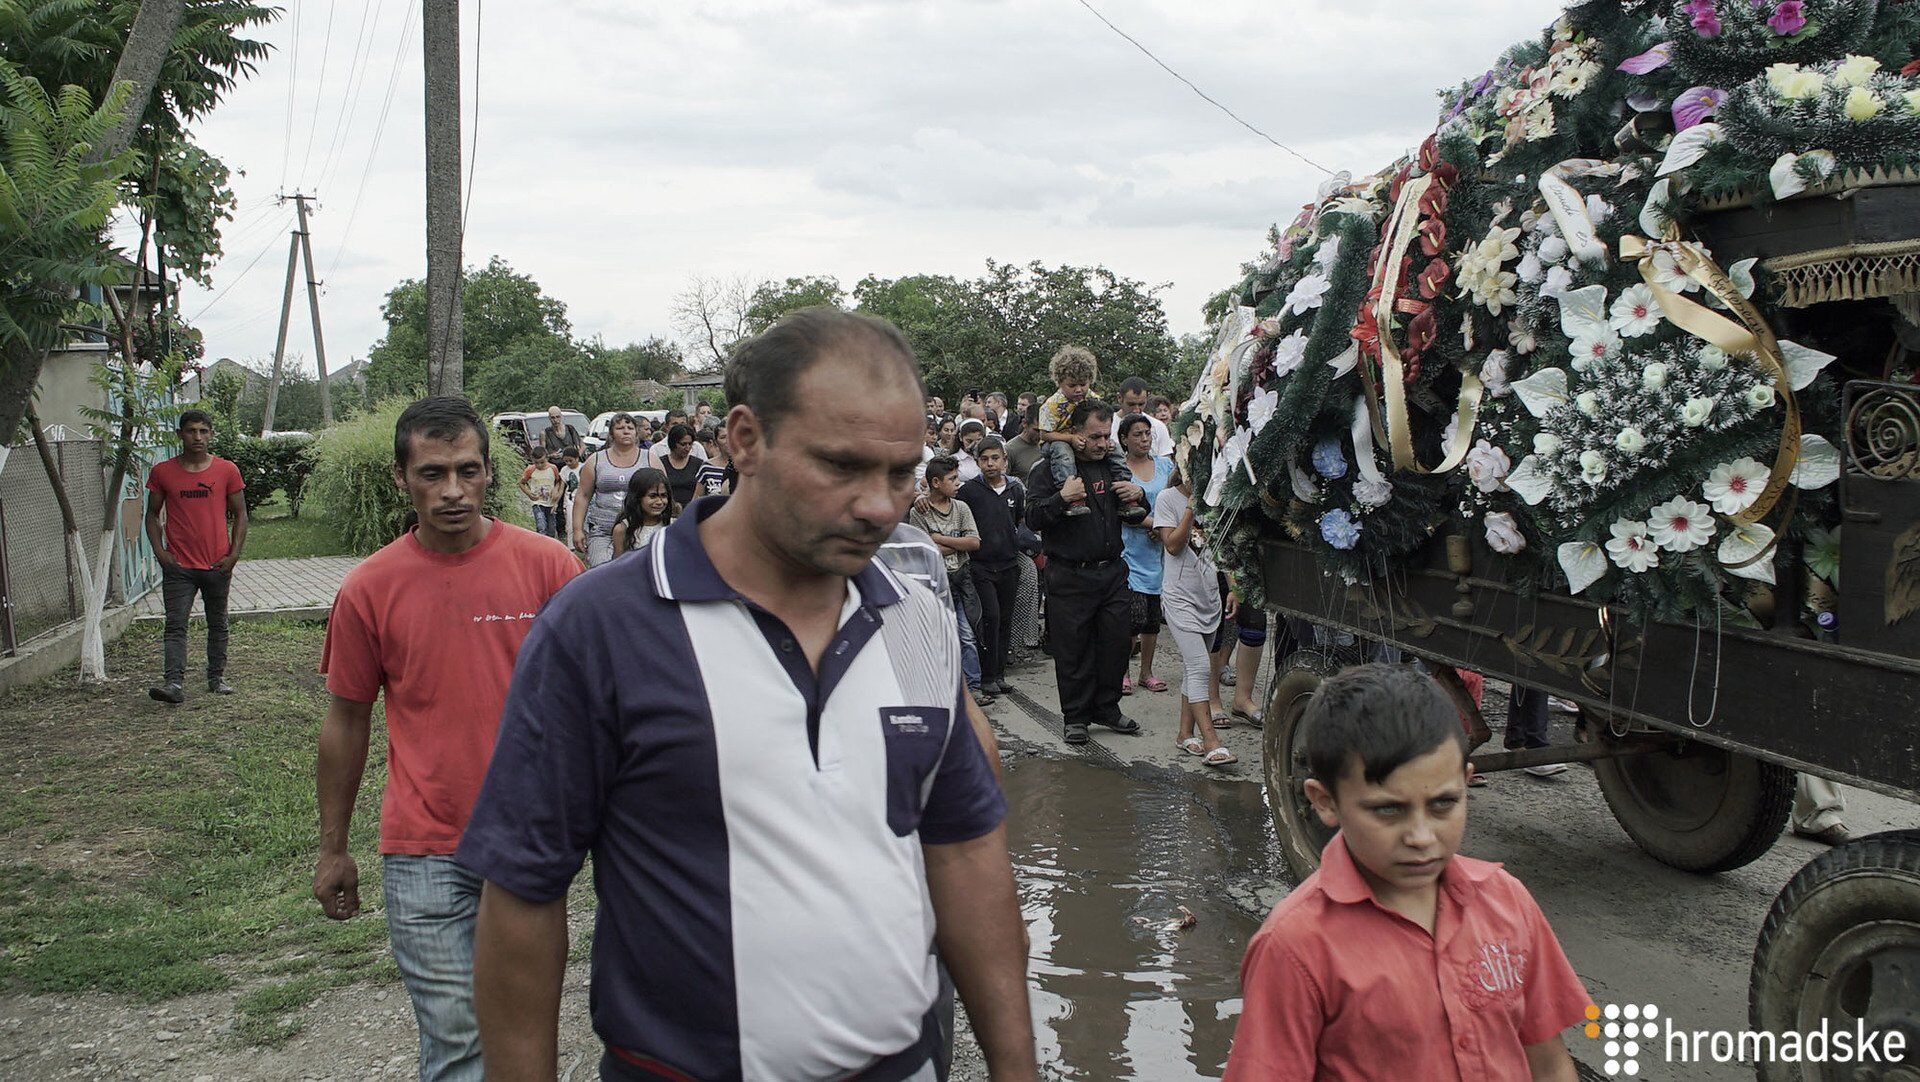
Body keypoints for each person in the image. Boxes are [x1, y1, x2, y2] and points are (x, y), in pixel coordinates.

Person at [457, 308, 1035, 1081]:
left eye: (900, 472)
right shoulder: (604, 628)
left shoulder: (917, 617)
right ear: (745, 439)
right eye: (841, 465)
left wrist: (1016, 1068)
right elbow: (524, 895)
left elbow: (964, 854)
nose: (880, 505)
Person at [312, 396, 580, 1082]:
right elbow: (346, 719)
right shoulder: (370, 588)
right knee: (458, 1046)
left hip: (525, 845)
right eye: (433, 473)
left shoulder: (549, 569)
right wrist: (333, 849)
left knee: (523, 1046)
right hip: (424, 851)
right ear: (402, 478)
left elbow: (595, 707)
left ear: (492, 473)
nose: (453, 490)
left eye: (467, 470)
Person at [1223, 663, 1587, 1081]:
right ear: (1324, 801)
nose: (1421, 837)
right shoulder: (1295, 948)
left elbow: (1550, 1062)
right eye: (1388, 809)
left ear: (1466, 782)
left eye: (1443, 804)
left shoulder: (1507, 901)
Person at [1026, 398, 1146, 744]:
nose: (1102, 444)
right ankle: (1076, 717)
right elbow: (1033, 517)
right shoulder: (1048, 468)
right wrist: (1062, 498)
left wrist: (1139, 494)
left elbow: (1137, 511)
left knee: (1115, 646)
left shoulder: (1112, 464)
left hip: (1112, 573)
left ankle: (1107, 708)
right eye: (1094, 436)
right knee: (1073, 650)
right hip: (1069, 575)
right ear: (1075, 433)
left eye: (1106, 436)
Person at [144, 409, 248, 704]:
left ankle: (217, 677)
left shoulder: (227, 470)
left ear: (211, 434)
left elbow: (241, 514)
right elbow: (151, 515)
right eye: (191, 431)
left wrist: (233, 556)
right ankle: (173, 684)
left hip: (217, 564)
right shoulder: (163, 472)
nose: (197, 437)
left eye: (203, 431)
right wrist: (161, 552)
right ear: (180, 434)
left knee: (218, 623)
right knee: (175, 624)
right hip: (179, 566)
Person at [1154, 473, 1235, 767]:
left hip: (1209, 596)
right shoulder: (1167, 498)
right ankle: (1212, 740)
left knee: (1194, 668)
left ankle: (1184, 733)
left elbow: (1222, 546)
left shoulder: (1216, 497)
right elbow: (1172, 545)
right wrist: (1191, 506)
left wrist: (1233, 586)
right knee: (1201, 665)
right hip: (1179, 596)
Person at [913, 455, 992, 707]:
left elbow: (974, 542)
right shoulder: (919, 511)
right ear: (935, 482)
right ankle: (941, 688)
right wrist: (953, 544)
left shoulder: (961, 508)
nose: (958, 483)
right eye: (952, 479)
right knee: (937, 636)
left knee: (967, 634)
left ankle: (974, 686)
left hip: (961, 579)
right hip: (935, 582)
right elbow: (926, 550)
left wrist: (940, 538)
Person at [1036, 346, 1145, 522]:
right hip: (1057, 441)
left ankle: (1125, 488)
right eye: (1072, 385)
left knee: (1115, 448)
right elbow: (1045, 435)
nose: (1079, 390)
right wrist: (1071, 438)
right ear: (1059, 382)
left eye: (1083, 384)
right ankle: (1072, 493)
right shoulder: (1051, 405)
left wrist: (1103, 440)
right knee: (1063, 452)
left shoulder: (1092, 398)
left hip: (1080, 440)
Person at [958, 437, 1024, 697]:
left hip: (1009, 563)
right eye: (984, 459)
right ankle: (985, 676)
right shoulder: (969, 492)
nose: (990, 464)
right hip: (981, 566)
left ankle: (999, 674)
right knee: (990, 618)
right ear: (977, 462)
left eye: (995, 458)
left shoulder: (1015, 490)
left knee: (1005, 618)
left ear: (1005, 461)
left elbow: (1018, 520)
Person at [1117, 414, 1174, 696]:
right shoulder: (1121, 470)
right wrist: (1157, 524)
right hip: (1130, 550)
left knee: (1152, 617)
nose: (1144, 439)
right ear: (1124, 439)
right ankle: (1122, 672)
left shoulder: (1165, 466)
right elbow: (1124, 511)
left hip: (1159, 552)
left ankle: (1147, 672)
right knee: (1133, 615)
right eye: (1137, 434)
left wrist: (1165, 528)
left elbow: (1177, 497)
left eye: (1147, 434)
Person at [572, 413, 646, 568]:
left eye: (630, 428)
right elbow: (583, 496)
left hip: (639, 529)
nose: (626, 431)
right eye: (620, 428)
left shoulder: (650, 459)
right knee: (601, 573)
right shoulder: (596, 459)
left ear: (636, 432)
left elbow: (664, 495)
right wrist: (577, 529)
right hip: (602, 531)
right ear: (611, 433)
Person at [611, 467, 673, 557]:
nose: (659, 502)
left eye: (663, 496)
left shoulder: (672, 525)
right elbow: (617, 566)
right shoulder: (622, 529)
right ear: (637, 498)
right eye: (653, 496)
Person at [1109, 377, 1175, 458]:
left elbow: (1166, 463)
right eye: (1131, 404)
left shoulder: (1159, 427)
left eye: (1141, 404)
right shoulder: (1107, 425)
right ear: (1119, 398)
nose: (1136, 410)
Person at [653, 423, 702, 511]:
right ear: (673, 443)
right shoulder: (660, 463)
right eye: (683, 444)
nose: (687, 448)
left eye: (690, 444)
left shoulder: (698, 464)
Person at [517, 447, 561, 539]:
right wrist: (529, 494)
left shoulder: (553, 468)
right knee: (541, 526)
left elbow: (558, 482)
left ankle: (550, 547)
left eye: (542, 462)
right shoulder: (530, 469)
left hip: (550, 503)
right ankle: (541, 546)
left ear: (547, 459)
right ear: (532, 460)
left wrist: (555, 490)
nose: (539, 465)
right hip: (537, 503)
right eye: (536, 462)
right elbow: (521, 483)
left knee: (551, 528)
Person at [1003, 402, 1047, 483]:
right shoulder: (1010, 449)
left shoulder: (1049, 445)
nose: (1041, 435)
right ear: (1025, 423)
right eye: (1036, 430)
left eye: (1045, 430)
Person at [693, 424, 734, 499]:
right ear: (716, 442)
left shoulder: (745, 466)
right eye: (723, 437)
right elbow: (697, 499)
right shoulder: (707, 467)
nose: (728, 441)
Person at [555, 448, 582, 542]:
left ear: (577, 458)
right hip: (569, 500)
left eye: (571, 460)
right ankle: (571, 546)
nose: (568, 463)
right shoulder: (564, 470)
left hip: (582, 499)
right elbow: (561, 488)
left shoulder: (584, 468)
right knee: (570, 523)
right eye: (566, 461)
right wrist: (556, 503)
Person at [954, 418, 987, 482]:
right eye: (969, 441)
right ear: (961, 437)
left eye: (978, 440)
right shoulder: (954, 459)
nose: (974, 445)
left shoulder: (989, 458)